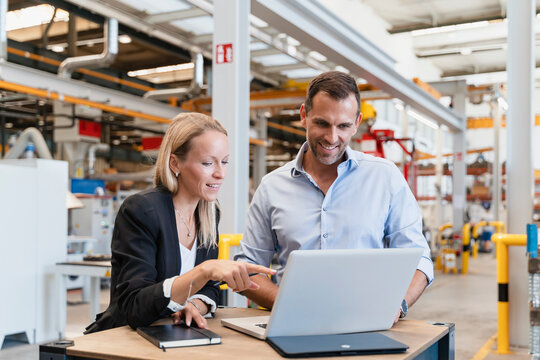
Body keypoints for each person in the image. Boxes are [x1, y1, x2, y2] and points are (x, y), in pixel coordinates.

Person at [235, 71, 433, 322]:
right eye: (322, 123)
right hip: (292, 324)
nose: (332, 137)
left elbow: (420, 260)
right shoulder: (271, 187)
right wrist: (290, 305)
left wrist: (398, 304)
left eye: (343, 126)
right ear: (303, 116)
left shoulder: (385, 178)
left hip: (367, 324)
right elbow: (248, 270)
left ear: (357, 122)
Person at [85, 113, 274, 333]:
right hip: (127, 339)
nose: (220, 173)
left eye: (224, 162)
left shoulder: (209, 214)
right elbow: (132, 306)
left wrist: (193, 305)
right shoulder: (142, 210)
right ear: (175, 163)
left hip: (175, 336)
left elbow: (210, 289)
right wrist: (204, 270)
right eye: (207, 163)